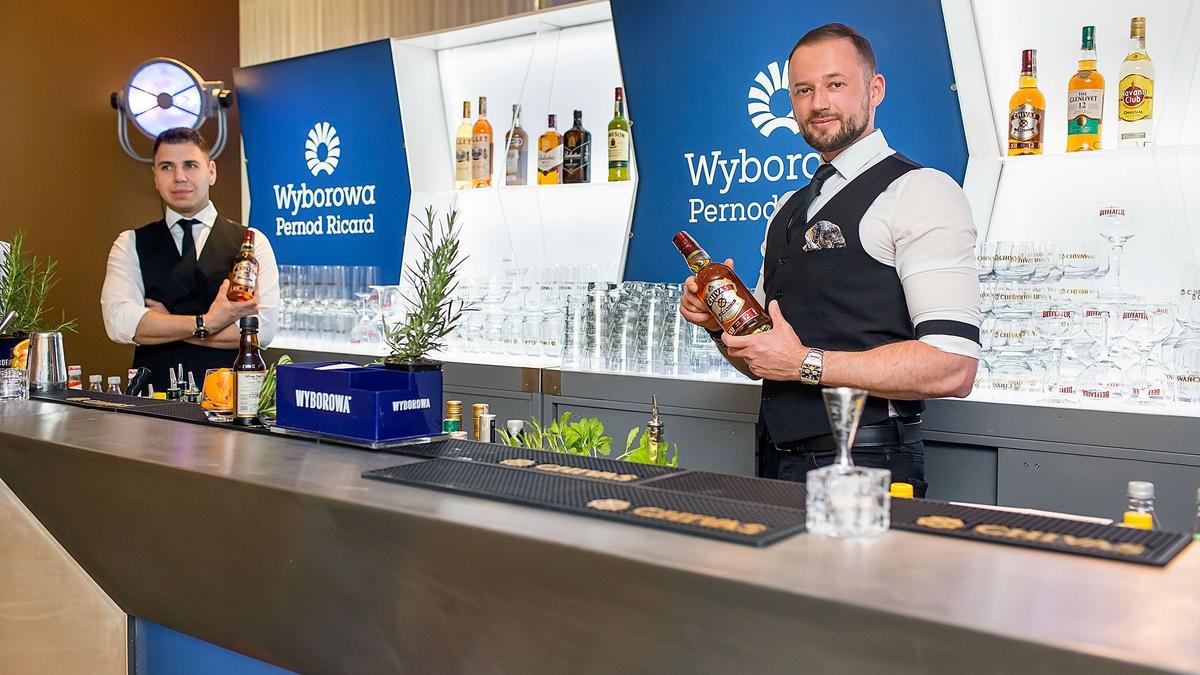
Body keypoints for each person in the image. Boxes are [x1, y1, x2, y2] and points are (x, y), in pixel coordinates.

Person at [679, 23, 980, 497]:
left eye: (835, 84)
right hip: (776, 457)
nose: (818, 103)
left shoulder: (920, 191)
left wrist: (804, 363)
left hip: (867, 462)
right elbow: (763, 362)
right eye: (803, 90)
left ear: (875, 90)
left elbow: (952, 366)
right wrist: (718, 326)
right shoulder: (787, 208)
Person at [101, 128, 279, 392]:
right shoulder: (130, 243)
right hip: (153, 399)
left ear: (211, 172)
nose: (179, 177)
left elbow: (261, 330)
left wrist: (168, 324)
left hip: (232, 398)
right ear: (155, 177)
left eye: (191, 165)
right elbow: (120, 322)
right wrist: (209, 322)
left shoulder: (252, 242)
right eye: (167, 167)